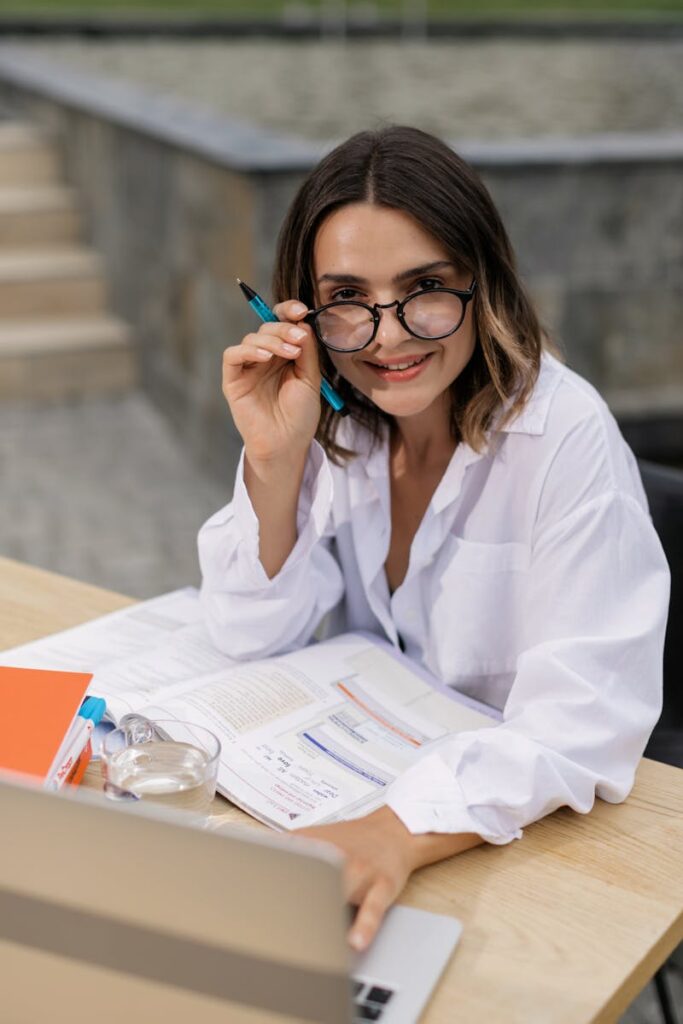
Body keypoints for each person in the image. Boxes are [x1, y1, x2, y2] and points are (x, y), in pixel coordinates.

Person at [197, 126, 670, 953]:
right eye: (347, 297)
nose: (385, 337)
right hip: (368, 774)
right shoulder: (343, 425)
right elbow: (246, 632)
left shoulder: (563, 436)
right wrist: (274, 461)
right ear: (300, 309)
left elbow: (580, 724)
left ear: (482, 284)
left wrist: (393, 831)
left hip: (505, 825)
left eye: (424, 288)